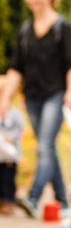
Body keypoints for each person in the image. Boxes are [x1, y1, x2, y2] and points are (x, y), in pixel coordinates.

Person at [0, 0, 71, 218]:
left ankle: (33, 197)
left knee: (44, 146)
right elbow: (16, 68)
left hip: (56, 95)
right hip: (32, 97)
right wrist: (4, 99)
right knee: (48, 148)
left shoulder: (62, 27)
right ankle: (63, 201)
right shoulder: (25, 30)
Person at [0, 86, 24, 215]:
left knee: (8, 179)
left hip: (10, 155)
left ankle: (9, 201)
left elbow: (19, 130)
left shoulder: (15, 113)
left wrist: (11, 136)